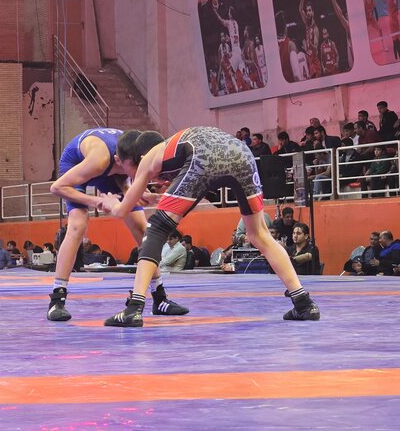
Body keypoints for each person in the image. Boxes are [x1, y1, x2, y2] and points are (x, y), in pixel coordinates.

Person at [99, 127, 320, 327]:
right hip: (242, 154)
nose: (153, 181)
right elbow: (193, 188)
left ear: (140, 158)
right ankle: (303, 303)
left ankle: (134, 308)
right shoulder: (174, 147)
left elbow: (122, 211)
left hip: (203, 156)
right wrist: (158, 198)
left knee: (156, 227)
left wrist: (110, 203)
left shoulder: (149, 157)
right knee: (260, 234)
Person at [47, 128, 187, 322]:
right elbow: (57, 187)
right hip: (78, 164)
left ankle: (159, 298)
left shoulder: (133, 152)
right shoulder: (101, 159)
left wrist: (140, 194)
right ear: (118, 161)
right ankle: (57, 300)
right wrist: (97, 201)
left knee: (143, 230)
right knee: (78, 225)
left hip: (114, 170)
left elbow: (126, 183)